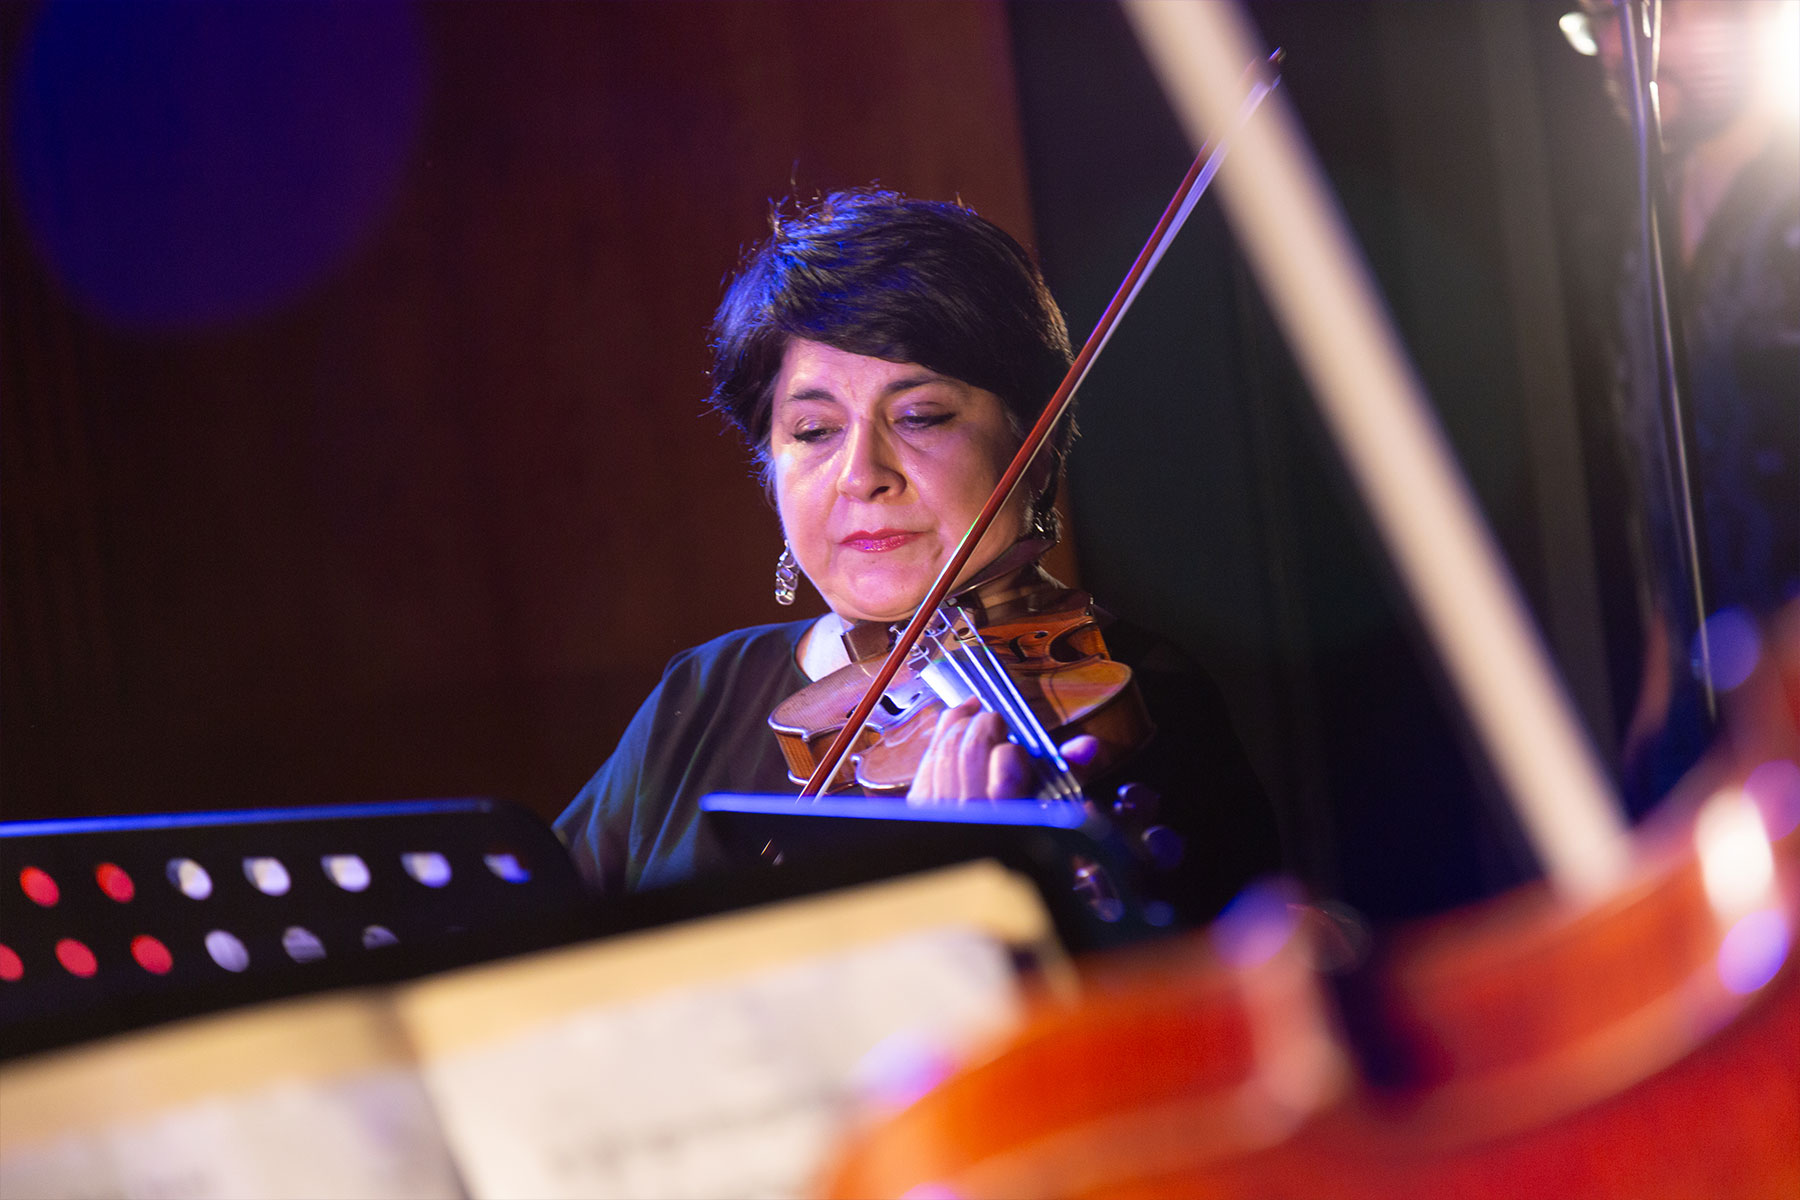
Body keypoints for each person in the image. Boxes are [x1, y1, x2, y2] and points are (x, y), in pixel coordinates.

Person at [555, 190, 1280, 920]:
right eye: (814, 431)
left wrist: (976, 905)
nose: (862, 473)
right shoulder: (704, 692)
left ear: (1036, 449)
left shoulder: (1141, 699)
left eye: (920, 417)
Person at [1578, 0, 1799, 805]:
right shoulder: (1638, 235)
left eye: (1651, 13)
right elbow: (1663, 498)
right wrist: (1656, 712)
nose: (1618, 47)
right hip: (1703, 732)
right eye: (1594, 21)